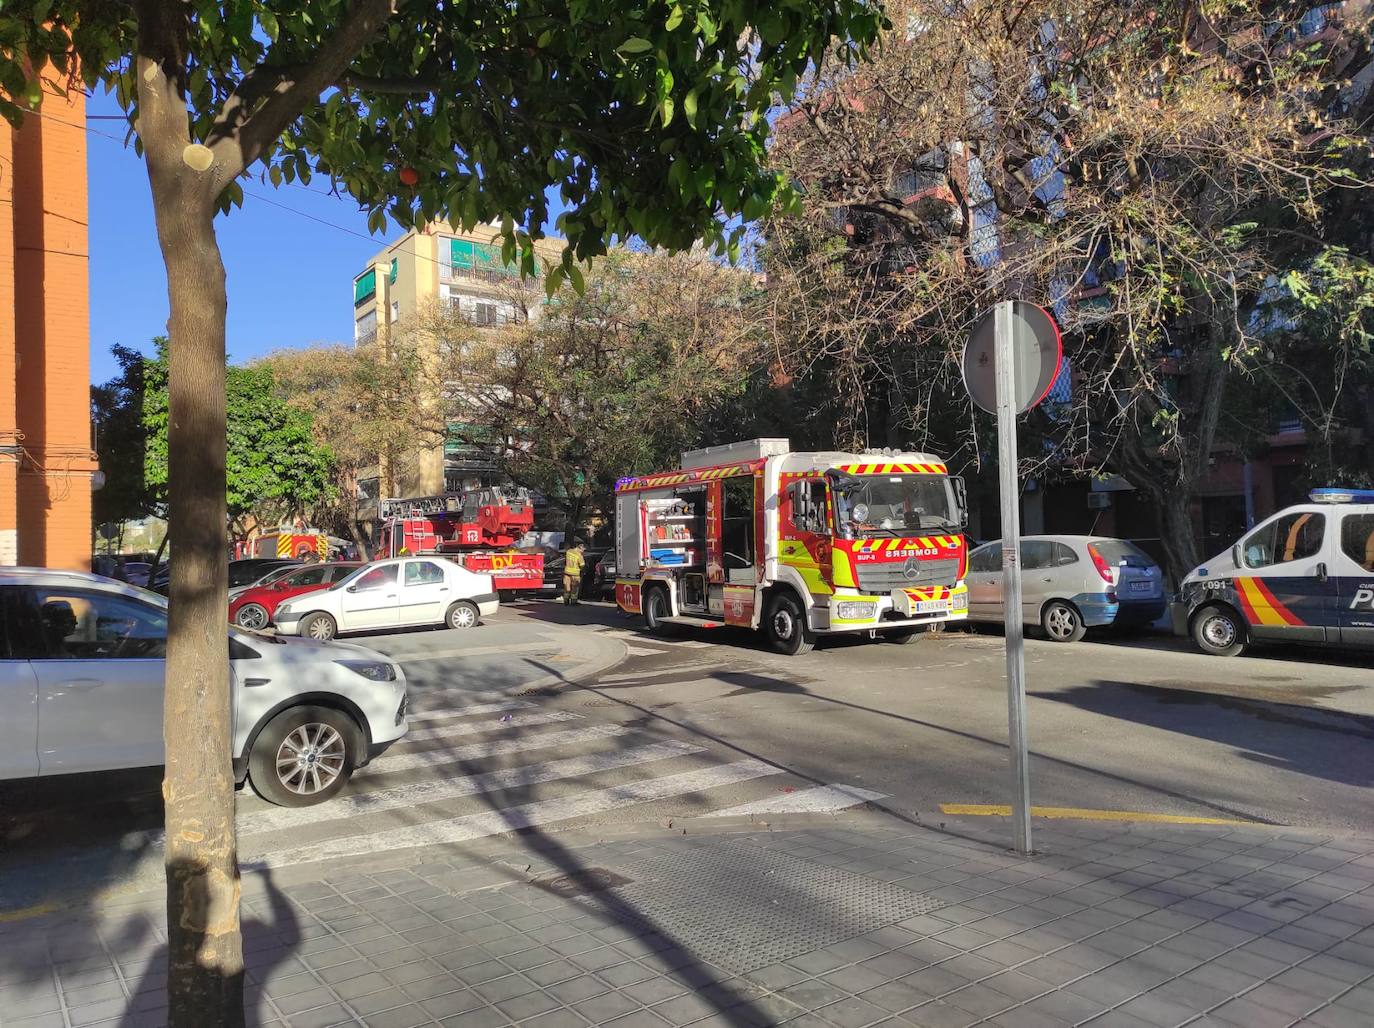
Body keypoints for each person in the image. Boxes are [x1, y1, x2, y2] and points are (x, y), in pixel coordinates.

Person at [563, 541, 586, 605]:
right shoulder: (579, 555)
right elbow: (582, 565)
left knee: (567, 587)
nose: (583, 551)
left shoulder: (569, 552)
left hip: (567, 572)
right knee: (574, 589)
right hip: (575, 574)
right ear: (580, 547)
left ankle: (566, 601)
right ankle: (573, 601)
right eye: (583, 549)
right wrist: (582, 571)